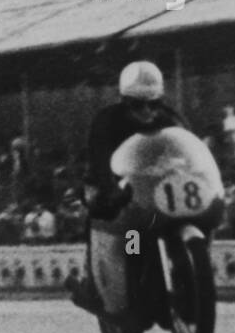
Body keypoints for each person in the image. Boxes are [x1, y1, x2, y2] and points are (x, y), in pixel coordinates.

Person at [67, 61, 185, 314]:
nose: (146, 111)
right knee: (98, 208)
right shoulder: (107, 120)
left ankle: (187, 272)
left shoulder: (171, 118)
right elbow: (99, 158)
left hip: (159, 188)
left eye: (152, 104)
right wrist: (109, 187)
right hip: (115, 183)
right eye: (137, 104)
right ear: (124, 99)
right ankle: (93, 283)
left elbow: (190, 149)